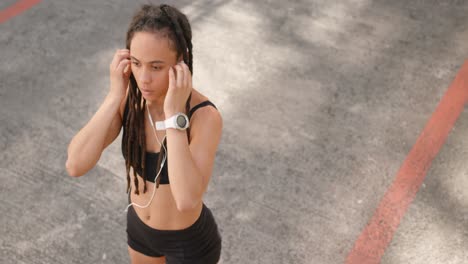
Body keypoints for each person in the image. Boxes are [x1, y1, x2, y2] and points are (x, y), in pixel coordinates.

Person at [65, 4, 223, 264]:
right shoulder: (130, 101)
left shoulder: (204, 117)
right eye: (137, 64)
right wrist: (115, 94)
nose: (144, 78)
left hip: (188, 244)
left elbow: (186, 199)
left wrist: (174, 116)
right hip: (139, 231)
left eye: (156, 67)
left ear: (180, 61)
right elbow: (75, 165)